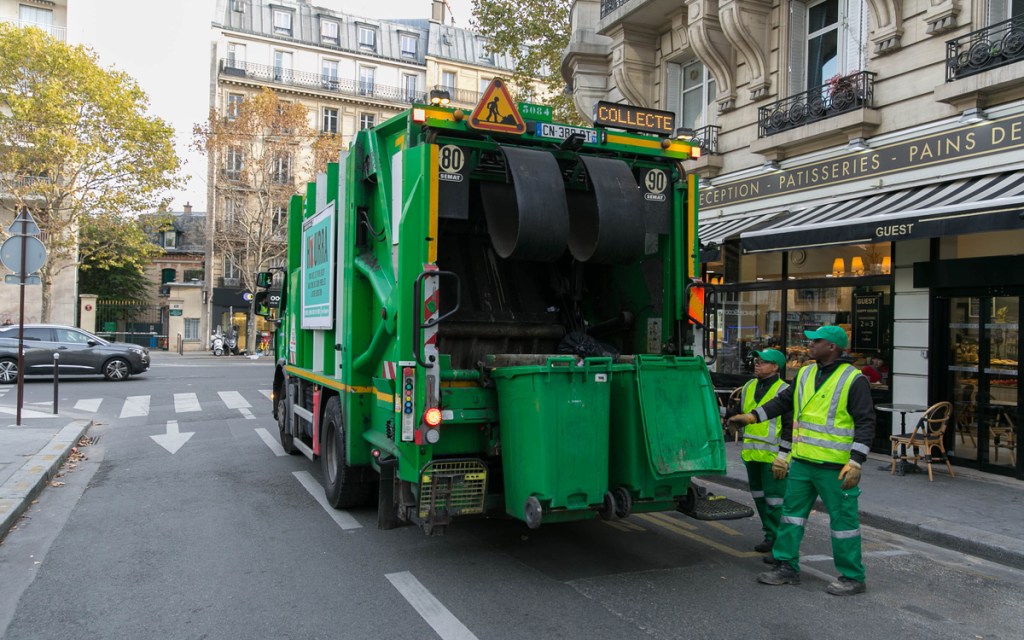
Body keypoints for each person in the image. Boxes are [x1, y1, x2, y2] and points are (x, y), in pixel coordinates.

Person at [728, 325, 875, 596]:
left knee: (843, 524)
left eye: (815, 341)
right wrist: (752, 417)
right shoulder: (806, 374)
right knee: (791, 517)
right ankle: (786, 567)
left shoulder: (854, 380)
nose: (810, 345)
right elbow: (783, 402)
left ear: (832, 347)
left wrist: (856, 461)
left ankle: (853, 577)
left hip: (836, 467)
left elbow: (866, 423)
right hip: (803, 462)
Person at [725, 348, 792, 556]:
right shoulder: (749, 386)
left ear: (775, 366)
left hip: (774, 456)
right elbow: (739, 412)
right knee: (760, 499)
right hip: (752, 454)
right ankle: (770, 537)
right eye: (756, 360)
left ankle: (780, 544)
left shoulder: (784, 390)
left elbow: (790, 427)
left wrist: (783, 456)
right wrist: (722, 413)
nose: (757, 364)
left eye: (763, 362)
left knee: (775, 502)